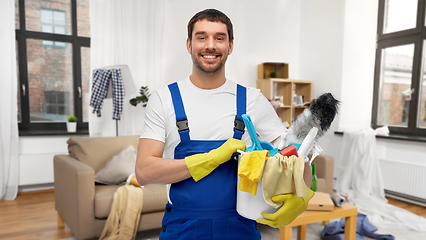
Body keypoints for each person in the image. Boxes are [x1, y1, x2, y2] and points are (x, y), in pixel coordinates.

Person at [136, 9, 312, 240]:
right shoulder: (164, 99)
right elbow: (144, 172)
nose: (211, 45)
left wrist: (303, 194)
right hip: (182, 228)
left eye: (219, 38)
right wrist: (212, 158)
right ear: (189, 45)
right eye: (202, 37)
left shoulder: (252, 100)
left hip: (240, 226)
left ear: (230, 46)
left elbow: (296, 155)